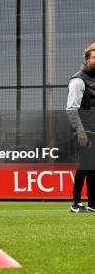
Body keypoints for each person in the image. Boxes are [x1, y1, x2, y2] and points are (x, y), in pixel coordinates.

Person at [66, 42, 95, 213]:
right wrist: (80, 131)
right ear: (87, 59)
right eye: (94, 57)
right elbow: (71, 108)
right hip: (84, 131)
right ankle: (76, 204)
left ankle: (92, 204)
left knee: (92, 168)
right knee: (85, 167)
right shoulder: (78, 80)